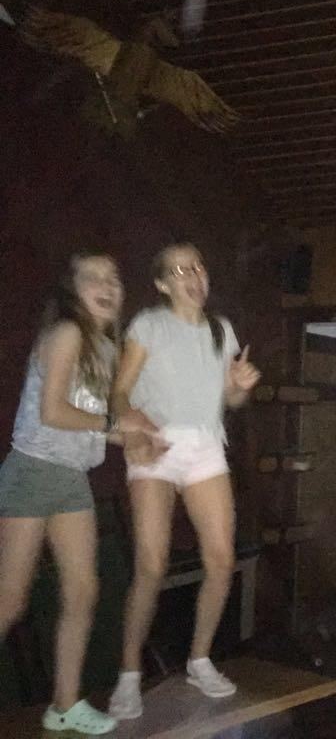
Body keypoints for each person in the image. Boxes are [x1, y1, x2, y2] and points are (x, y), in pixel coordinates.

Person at [0, 252, 157, 734]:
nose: (107, 286)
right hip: (33, 470)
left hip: (70, 477)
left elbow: (89, 425)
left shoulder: (105, 348)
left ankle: (65, 705)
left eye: (114, 278)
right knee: (10, 599)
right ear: (72, 291)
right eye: (94, 279)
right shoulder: (67, 333)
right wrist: (117, 426)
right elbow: (53, 413)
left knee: (83, 590)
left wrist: (135, 439)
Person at [108, 243, 260, 719]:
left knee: (221, 559)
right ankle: (129, 673)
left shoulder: (221, 329)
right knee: (152, 565)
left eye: (198, 266)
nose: (194, 276)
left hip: (204, 445)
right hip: (156, 443)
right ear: (162, 283)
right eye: (180, 270)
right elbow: (119, 391)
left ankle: (199, 659)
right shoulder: (148, 325)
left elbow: (230, 402)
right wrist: (133, 427)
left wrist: (239, 387)